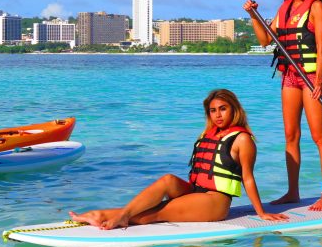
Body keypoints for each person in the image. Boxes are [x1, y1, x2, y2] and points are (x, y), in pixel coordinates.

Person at [69, 89, 288, 229]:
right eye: (213, 110)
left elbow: (247, 178)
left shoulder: (242, 139)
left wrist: (261, 213)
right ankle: (117, 214)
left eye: (223, 109)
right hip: (194, 191)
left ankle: (100, 215)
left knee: (158, 213)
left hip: (215, 200)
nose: (217, 115)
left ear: (235, 110)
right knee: (167, 180)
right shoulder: (207, 135)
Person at [243, 0, 322, 211]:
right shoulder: (284, 8)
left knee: (319, 136)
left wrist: (318, 78)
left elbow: (321, 46)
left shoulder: (316, 6)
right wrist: (253, 15)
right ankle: (292, 192)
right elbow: (265, 40)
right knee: (290, 135)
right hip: (289, 77)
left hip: (310, 77)